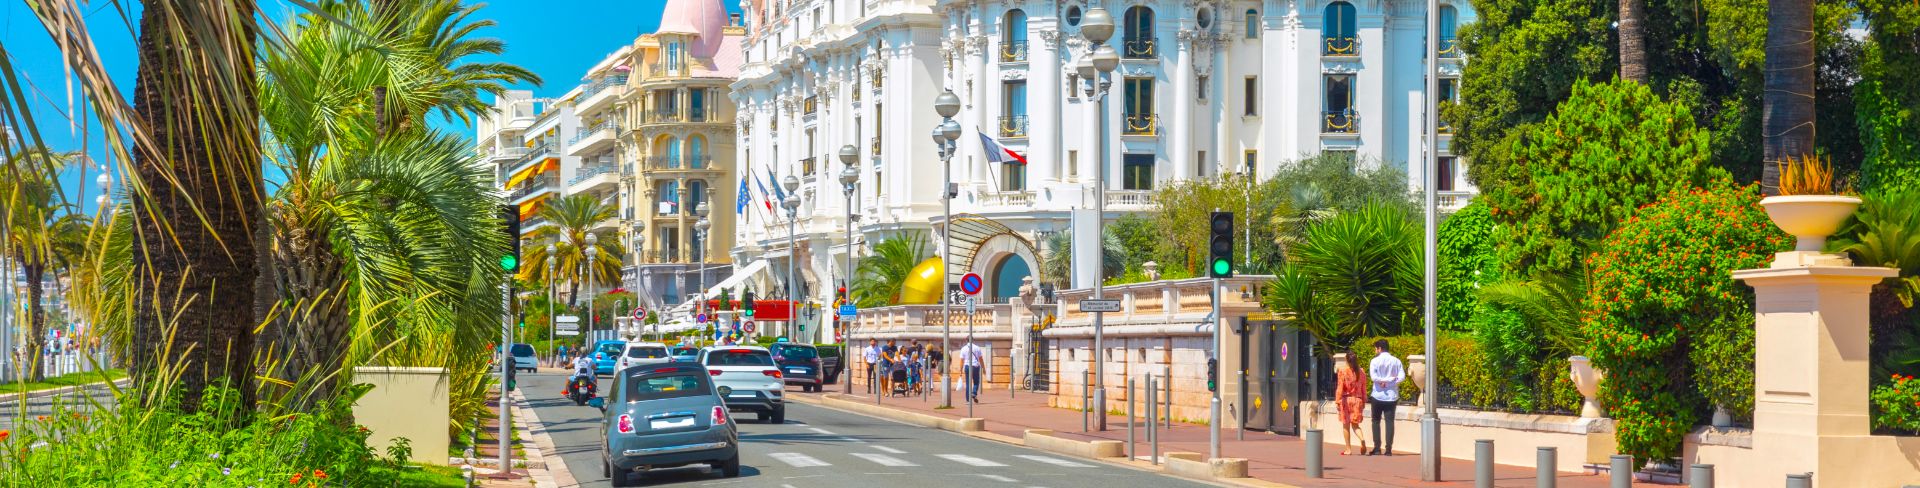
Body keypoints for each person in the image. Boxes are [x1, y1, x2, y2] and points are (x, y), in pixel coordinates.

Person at [1367, 339, 1404, 456]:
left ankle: (1377, 448)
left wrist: (1382, 381)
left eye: (1376, 348)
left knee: (1375, 421)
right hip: (1391, 396)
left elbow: (1373, 377)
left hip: (1377, 395)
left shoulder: (1374, 361)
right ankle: (1388, 449)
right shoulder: (1396, 361)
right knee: (1389, 422)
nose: (1375, 350)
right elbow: (1401, 377)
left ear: (1379, 348)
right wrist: (1390, 382)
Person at [1333, 352, 1367, 455]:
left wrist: (1337, 400)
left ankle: (1348, 449)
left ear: (1347, 360)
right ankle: (1362, 439)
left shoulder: (1343, 371)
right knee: (1356, 425)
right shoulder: (1361, 372)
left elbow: (1340, 387)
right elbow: (1364, 388)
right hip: (1358, 400)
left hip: (1346, 400)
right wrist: (1364, 400)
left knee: (1346, 425)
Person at [956, 339, 986, 403]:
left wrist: (960, 370)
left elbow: (962, 360)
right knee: (976, 382)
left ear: (966, 340)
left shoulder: (963, 348)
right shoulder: (977, 348)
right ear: (973, 340)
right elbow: (981, 359)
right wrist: (983, 368)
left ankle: (968, 400)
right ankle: (974, 393)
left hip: (967, 366)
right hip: (975, 366)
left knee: (968, 383)